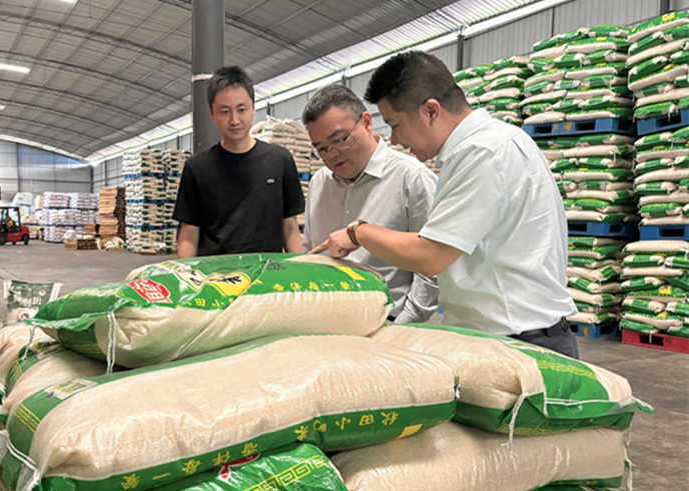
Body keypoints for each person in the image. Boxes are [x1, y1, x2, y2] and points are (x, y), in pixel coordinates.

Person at [310, 51, 579, 358]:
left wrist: (358, 233)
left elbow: (430, 256)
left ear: (430, 111)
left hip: (521, 343)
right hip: (505, 337)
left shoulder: (482, 153)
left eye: (395, 124)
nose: (394, 139)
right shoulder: (490, 145)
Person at [301, 84, 439, 323]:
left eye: (339, 140)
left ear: (366, 123)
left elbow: (432, 266)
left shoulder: (410, 178)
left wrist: (403, 324)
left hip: (390, 322)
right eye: (321, 149)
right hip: (326, 321)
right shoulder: (319, 183)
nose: (332, 154)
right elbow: (310, 251)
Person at [174, 66, 305, 258]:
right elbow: (189, 236)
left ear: (253, 108)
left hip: (267, 271)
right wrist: (185, 274)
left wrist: (296, 267)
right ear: (211, 112)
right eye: (224, 112)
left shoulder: (279, 160)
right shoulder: (197, 168)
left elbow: (290, 228)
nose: (234, 120)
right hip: (215, 272)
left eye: (241, 110)